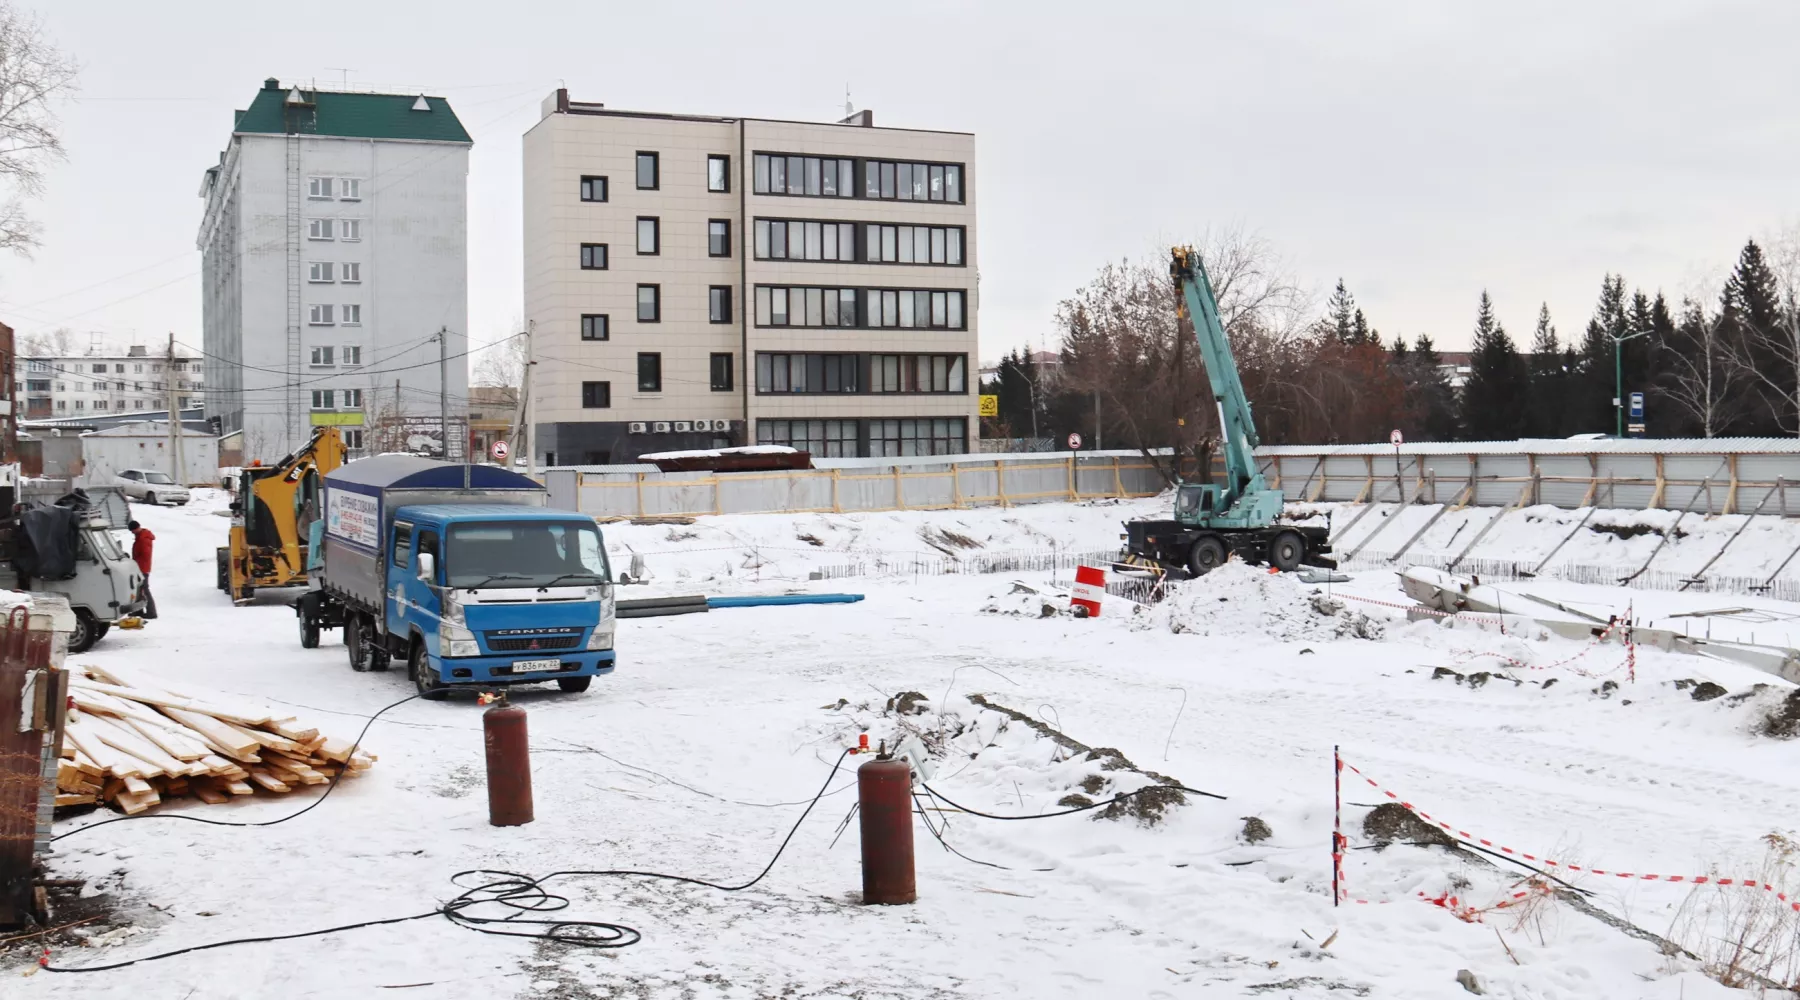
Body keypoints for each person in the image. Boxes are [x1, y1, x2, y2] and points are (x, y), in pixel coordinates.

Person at [128, 519, 157, 619]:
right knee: (139, 589)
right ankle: (138, 610)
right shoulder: (140, 537)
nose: (132, 533)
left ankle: (151, 612)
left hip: (142, 568)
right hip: (140, 567)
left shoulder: (143, 539)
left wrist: (135, 563)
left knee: (144, 589)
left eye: (133, 530)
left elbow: (145, 555)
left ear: (136, 528)